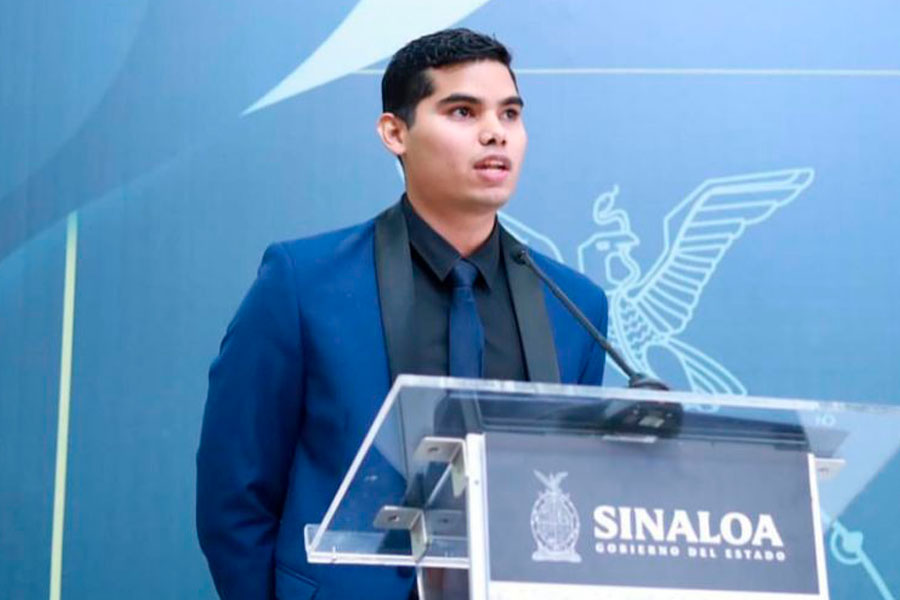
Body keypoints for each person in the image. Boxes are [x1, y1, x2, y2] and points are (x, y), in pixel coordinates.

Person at [196, 28, 609, 600]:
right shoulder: (303, 282)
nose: (496, 133)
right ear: (395, 132)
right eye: (462, 111)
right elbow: (235, 490)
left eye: (510, 114)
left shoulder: (576, 306)